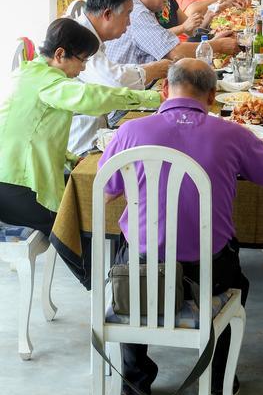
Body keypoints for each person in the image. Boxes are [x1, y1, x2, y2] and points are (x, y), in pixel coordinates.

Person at [100, 59, 263, 395]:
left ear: (164, 89)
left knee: (130, 258)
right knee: (238, 282)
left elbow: (105, 190)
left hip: (143, 273)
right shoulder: (233, 134)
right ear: (213, 96)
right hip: (209, 275)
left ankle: (136, 384)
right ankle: (218, 384)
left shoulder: (131, 132)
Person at [0, 18, 160, 241]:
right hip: (18, 188)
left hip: (12, 179)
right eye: (82, 60)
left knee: (93, 195)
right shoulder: (48, 82)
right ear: (59, 54)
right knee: (85, 218)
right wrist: (153, 98)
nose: (84, 67)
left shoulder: (32, 73)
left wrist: (70, 159)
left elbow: (34, 135)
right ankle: (99, 274)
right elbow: (91, 98)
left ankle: (113, 268)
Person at [68, 0, 172, 155]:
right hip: (81, 144)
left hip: (97, 129)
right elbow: (113, 81)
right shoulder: (80, 39)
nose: (129, 23)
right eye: (127, 14)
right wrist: (151, 70)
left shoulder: (88, 34)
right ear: (108, 14)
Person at [106, 0, 239, 66]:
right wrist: (219, 45)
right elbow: (175, 52)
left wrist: (211, 43)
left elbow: (179, 39)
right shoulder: (137, 12)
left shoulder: (143, 8)